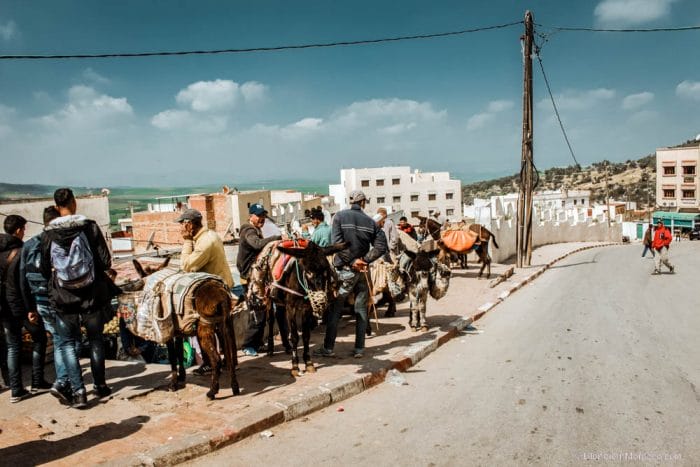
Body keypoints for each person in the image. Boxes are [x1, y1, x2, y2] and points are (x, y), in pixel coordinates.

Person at [41, 188, 120, 409]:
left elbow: (45, 269)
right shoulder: (89, 227)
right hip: (91, 297)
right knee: (96, 340)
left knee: (66, 343)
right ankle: (101, 385)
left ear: (56, 207)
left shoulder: (48, 234)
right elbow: (105, 262)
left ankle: (78, 392)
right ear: (74, 203)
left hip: (63, 299)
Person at [315, 190, 387, 359]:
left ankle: (328, 348)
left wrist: (353, 261)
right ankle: (359, 349)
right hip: (362, 271)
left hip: (345, 271)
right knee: (361, 309)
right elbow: (381, 246)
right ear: (363, 203)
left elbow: (337, 244)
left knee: (335, 310)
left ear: (351, 201)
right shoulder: (371, 222)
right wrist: (365, 260)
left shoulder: (339, 217)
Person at [21, 206, 80, 405]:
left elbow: (22, 276)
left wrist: (30, 307)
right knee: (70, 343)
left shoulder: (29, 244)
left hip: (40, 301)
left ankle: (64, 381)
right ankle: (65, 382)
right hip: (60, 300)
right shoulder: (59, 241)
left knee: (58, 341)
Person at [177, 208, 234, 374]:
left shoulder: (204, 243)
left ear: (189, 225)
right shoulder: (210, 235)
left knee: (196, 325)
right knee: (221, 329)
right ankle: (227, 361)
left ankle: (210, 362)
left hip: (213, 294)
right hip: (221, 287)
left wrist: (187, 241)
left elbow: (186, 267)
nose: (180, 228)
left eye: (182, 224)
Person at [1, 215, 49, 403]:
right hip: (19, 305)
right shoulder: (20, 252)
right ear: (19, 230)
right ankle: (37, 380)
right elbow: (23, 283)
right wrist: (31, 309)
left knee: (12, 346)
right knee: (39, 338)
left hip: (3, 306)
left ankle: (16, 389)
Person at [236, 203, 287, 356]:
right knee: (257, 312)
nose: (262, 219)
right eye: (259, 216)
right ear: (251, 216)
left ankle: (257, 344)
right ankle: (248, 345)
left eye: (263, 216)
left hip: (256, 278)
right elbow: (256, 245)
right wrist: (277, 238)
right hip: (250, 279)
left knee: (262, 312)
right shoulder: (249, 230)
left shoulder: (256, 230)